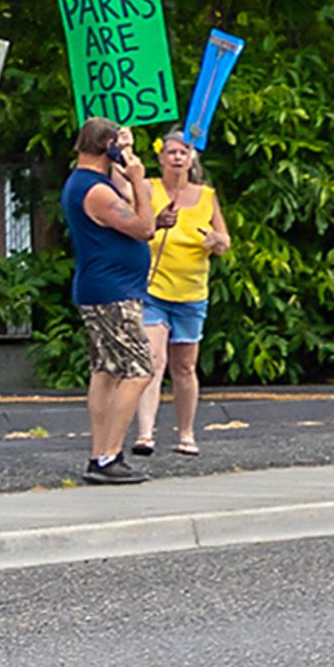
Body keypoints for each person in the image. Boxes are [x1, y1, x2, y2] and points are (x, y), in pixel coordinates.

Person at [61, 119, 161, 484]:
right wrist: (137, 179)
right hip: (112, 293)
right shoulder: (96, 190)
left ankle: (99, 453)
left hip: (104, 287)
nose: (129, 153)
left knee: (105, 370)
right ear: (109, 148)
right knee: (139, 370)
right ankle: (109, 455)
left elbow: (135, 225)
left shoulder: (87, 184)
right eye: (124, 146)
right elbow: (143, 228)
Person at [136, 136, 231, 458]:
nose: (177, 157)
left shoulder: (207, 196)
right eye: (171, 152)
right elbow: (134, 218)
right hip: (154, 288)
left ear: (192, 159)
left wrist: (216, 241)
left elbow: (225, 241)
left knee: (185, 367)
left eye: (183, 152)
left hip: (192, 292)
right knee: (154, 359)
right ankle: (146, 433)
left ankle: (186, 433)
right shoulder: (150, 188)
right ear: (160, 157)